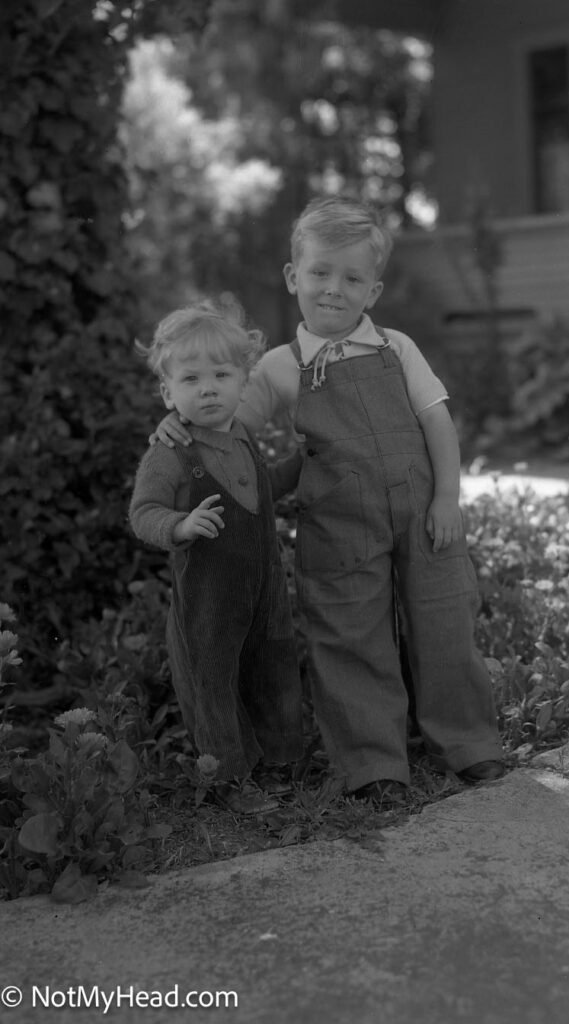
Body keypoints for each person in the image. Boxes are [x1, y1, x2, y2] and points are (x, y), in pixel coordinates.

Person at [154, 197, 505, 805]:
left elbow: (437, 422)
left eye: (351, 278)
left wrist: (448, 496)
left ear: (373, 290)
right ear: (294, 277)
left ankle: (469, 743)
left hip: (424, 514)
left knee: (444, 621)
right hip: (339, 523)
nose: (333, 289)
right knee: (350, 633)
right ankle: (373, 763)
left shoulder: (397, 348)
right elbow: (222, 421)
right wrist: (176, 426)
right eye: (320, 273)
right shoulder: (280, 366)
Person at [130, 298, 303, 815]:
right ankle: (228, 777)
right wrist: (179, 525)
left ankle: (278, 758)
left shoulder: (242, 435)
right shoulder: (171, 452)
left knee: (269, 665)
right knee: (214, 681)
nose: (208, 387)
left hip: (262, 587)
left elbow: (260, 489)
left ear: (243, 381)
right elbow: (143, 512)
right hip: (210, 598)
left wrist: (302, 465)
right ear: (167, 392)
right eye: (190, 379)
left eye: (221, 374)